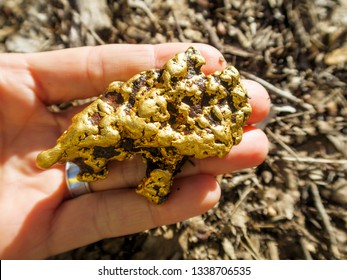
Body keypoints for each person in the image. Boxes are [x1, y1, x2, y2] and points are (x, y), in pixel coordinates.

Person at [0, 43, 270, 259]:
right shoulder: (146, 98)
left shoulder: (199, 118)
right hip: (130, 128)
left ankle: (126, 173)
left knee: (159, 167)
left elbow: (199, 141)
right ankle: (86, 161)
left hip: (156, 138)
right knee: (103, 143)